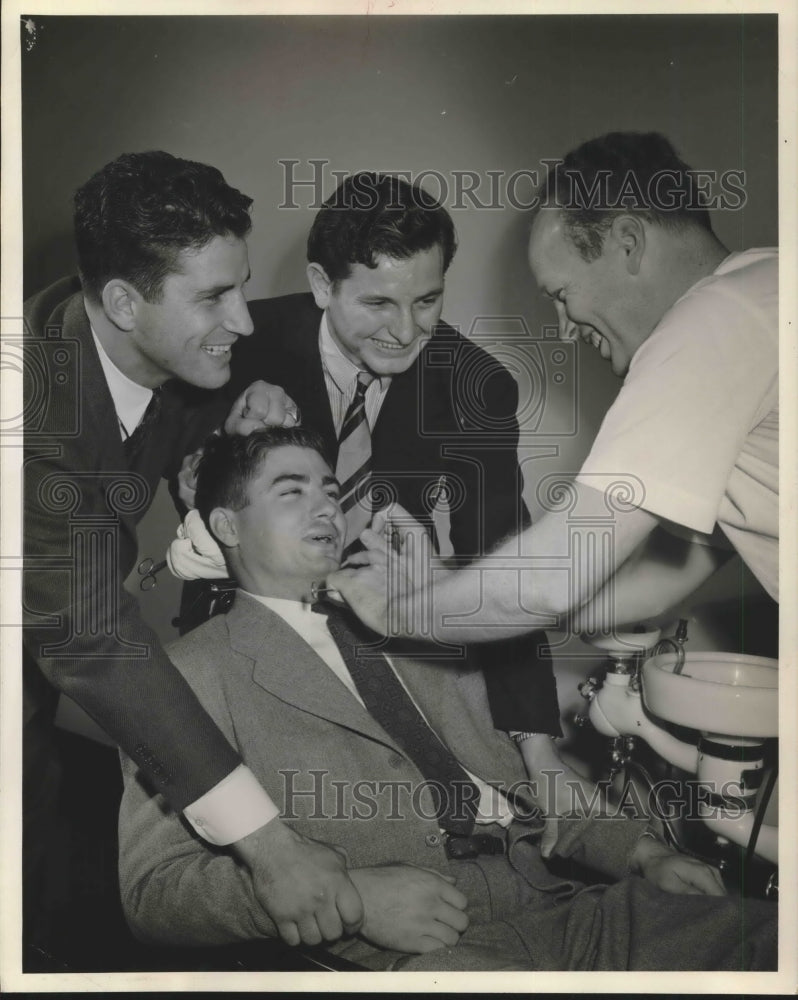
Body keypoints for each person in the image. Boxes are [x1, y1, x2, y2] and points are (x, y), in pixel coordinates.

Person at [118, 428, 776, 972]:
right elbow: (153, 893)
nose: (326, 509)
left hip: (570, 908)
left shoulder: (424, 621)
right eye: (292, 491)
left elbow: (531, 786)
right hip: (413, 952)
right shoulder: (187, 676)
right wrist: (349, 897)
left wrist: (644, 852)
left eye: (330, 490)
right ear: (227, 525)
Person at [23, 151, 362, 953]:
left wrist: (226, 427)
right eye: (214, 297)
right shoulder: (29, 416)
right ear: (122, 301)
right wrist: (273, 850)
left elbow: (165, 416)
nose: (242, 321)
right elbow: (94, 643)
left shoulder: (131, 338)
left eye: (240, 286)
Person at [178, 171, 571, 823]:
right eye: (379, 304)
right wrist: (222, 442)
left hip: (384, 636)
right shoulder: (242, 343)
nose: (406, 330)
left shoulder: (475, 386)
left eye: (426, 301)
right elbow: (184, 477)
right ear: (322, 285)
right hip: (240, 627)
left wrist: (539, 749)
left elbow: (502, 561)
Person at [330, 133, 778, 644]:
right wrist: (441, 589)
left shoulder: (710, 325)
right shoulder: (760, 288)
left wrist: (392, 613)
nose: (565, 329)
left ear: (628, 243)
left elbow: (550, 582)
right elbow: (652, 585)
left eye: (562, 294)